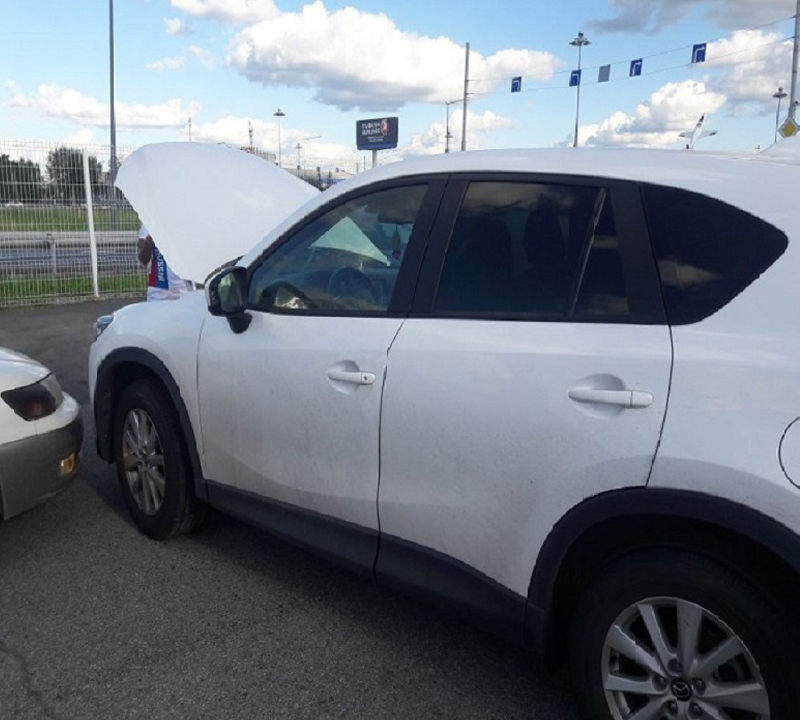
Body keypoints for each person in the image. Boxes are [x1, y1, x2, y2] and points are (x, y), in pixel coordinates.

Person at [137, 224, 192, 301]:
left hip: (183, 288)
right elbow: (143, 259)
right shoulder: (150, 223)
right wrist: (148, 243)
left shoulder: (185, 223)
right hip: (158, 290)